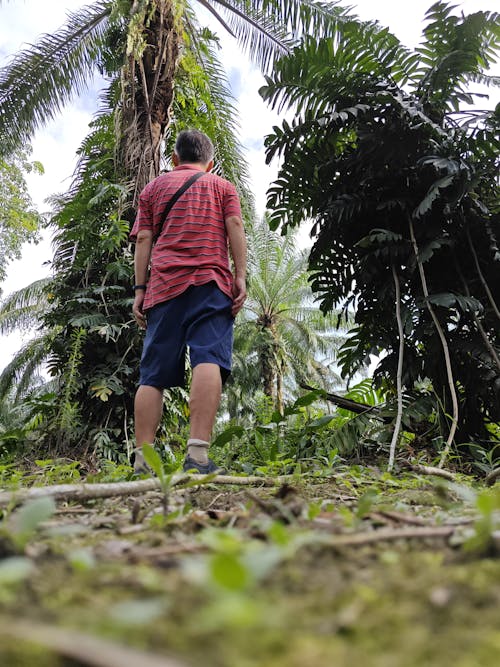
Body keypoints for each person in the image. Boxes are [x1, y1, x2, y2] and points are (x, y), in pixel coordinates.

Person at [129, 129, 247, 474]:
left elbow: (144, 239)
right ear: (209, 163)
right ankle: (197, 456)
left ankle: (142, 460)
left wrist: (140, 289)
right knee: (207, 358)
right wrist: (239, 276)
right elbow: (235, 224)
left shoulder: (153, 189)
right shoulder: (222, 186)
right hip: (211, 283)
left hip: (164, 287)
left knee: (152, 374)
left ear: (175, 159)